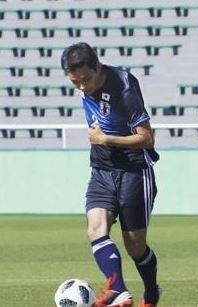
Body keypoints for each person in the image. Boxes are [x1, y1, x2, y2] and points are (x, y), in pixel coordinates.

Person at [61, 42, 160, 307]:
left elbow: (147, 138)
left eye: (86, 79)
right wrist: (102, 143)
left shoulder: (123, 86)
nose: (82, 86)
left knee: (135, 246)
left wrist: (104, 138)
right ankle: (118, 289)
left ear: (99, 66)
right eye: (75, 82)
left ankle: (151, 291)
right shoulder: (86, 84)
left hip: (134, 171)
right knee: (95, 229)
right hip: (102, 169)